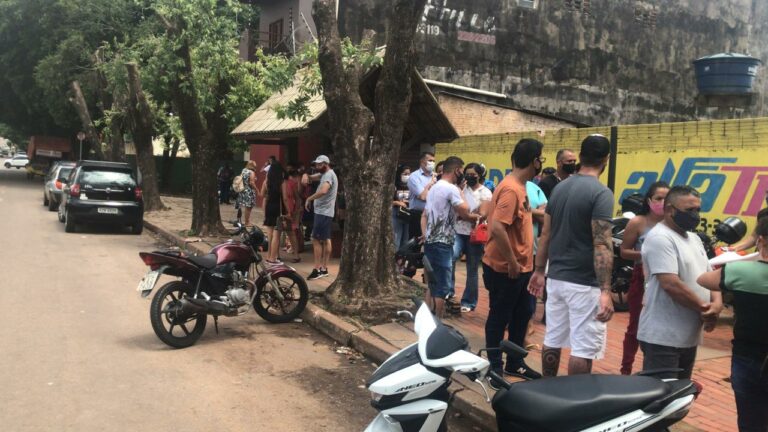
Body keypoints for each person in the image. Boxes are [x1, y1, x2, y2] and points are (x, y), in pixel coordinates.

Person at [528, 134, 615, 377]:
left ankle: (547, 389)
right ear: (606, 159)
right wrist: (606, 291)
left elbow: (546, 234)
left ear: (582, 156)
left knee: (553, 338)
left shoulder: (560, 188)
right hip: (584, 284)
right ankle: (575, 401)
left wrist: (539, 271)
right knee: (583, 347)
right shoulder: (601, 193)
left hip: (556, 278)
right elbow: (602, 244)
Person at [637, 185, 722, 380]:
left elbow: (711, 275)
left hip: (688, 337)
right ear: (670, 210)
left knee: (680, 398)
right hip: (663, 338)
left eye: (698, 210)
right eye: (689, 210)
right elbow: (671, 284)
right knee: (661, 400)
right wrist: (704, 309)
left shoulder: (694, 238)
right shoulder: (660, 238)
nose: (695, 215)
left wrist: (716, 305)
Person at [697, 216, 768, 432]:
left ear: (761, 240)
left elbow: (704, 279)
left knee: (750, 422)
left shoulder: (740, 272)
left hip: (748, 357)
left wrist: (748, 260)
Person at [483, 139, 545, 384]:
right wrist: (511, 261)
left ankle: (515, 363)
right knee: (500, 317)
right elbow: (497, 227)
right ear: (534, 161)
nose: (541, 163)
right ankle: (494, 367)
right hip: (507, 269)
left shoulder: (521, 187)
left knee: (523, 313)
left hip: (523, 268)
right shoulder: (511, 189)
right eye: (541, 158)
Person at [618, 181, 670, 375]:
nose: (663, 203)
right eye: (658, 198)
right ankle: (626, 370)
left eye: (667, 198)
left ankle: (652, 369)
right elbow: (624, 251)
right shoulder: (638, 222)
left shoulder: (672, 223)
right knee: (635, 326)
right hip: (641, 277)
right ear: (649, 200)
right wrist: (646, 254)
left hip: (666, 278)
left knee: (659, 327)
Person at [421, 156, 470, 318]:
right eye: (462, 171)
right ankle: (437, 321)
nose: (462, 175)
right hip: (443, 242)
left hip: (431, 240)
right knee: (442, 286)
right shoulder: (452, 189)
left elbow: (426, 214)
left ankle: (427, 318)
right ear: (457, 170)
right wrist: (461, 191)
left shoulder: (434, 188)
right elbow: (465, 210)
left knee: (432, 284)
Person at [452, 163, 492, 312]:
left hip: (475, 235)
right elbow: (456, 209)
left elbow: (482, 215)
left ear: (480, 175)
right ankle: (449, 292)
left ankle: (469, 301)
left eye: (473, 174)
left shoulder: (486, 192)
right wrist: (469, 214)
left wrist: (464, 215)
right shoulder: (462, 189)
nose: (469, 177)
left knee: (472, 269)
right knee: (452, 257)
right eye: (467, 174)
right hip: (458, 232)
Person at [522, 178, 547, 349]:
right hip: (515, 251)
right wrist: (534, 212)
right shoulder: (508, 187)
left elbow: (545, 214)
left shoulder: (535, 189)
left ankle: (527, 326)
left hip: (533, 249)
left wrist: (529, 211)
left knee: (531, 292)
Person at [304, 155, 338, 281]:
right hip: (325, 212)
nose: (317, 167)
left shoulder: (328, 175)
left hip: (323, 212)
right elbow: (312, 177)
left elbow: (323, 190)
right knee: (325, 239)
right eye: (316, 164)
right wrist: (305, 175)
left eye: (320, 164)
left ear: (326, 164)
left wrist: (309, 198)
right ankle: (323, 268)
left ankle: (318, 269)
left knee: (316, 239)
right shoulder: (325, 174)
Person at [407, 152, 437, 239]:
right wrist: (430, 184)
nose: (432, 163)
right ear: (422, 162)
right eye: (430, 160)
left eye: (433, 161)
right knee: (416, 243)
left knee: (432, 242)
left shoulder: (435, 176)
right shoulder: (414, 177)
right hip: (417, 215)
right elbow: (423, 196)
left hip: (432, 215)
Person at [263, 159, 285, 264]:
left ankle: (268, 256)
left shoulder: (267, 182)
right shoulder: (281, 183)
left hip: (269, 207)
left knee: (269, 234)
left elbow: (263, 194)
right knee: (276, 235)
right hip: (278, 208)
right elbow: (284, 198)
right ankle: (273, 258)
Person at [280, 164, 303, 263]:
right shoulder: (283, 183)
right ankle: (295, 255)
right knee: (287, 233)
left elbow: (296, 198)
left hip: (287, 210)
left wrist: (296, 210)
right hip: (285, 210)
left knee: (286, 233)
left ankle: (295, 254)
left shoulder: (289, 183)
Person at [392, 165, 412, 251]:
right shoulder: (394, 186)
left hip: (408, 213)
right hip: (396, 213)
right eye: (405, 174)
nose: (407, 176)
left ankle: (403, 260)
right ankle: (394, 259)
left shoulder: (412, 186)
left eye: (409, 174)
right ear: (399, 174)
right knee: (396, 238)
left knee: (406, 239)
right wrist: (398, 202)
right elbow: (386, 201)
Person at [237, 160, 259, 226]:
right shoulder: (251, 172)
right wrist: (257, 190)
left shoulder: (243, 170)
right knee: (249, 207)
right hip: (249, 191)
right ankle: (247, 222)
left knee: (247, 207)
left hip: (243, 190)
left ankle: (247, 221)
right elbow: (252, 183)